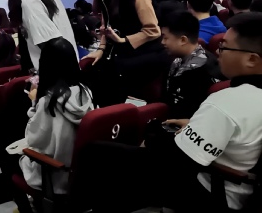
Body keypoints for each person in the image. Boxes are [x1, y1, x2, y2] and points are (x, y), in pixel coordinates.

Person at [74, 13, 262, 213]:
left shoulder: (227, 101)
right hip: (238, 185)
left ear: (252, 59)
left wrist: (154, 139)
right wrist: (191, 125)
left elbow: (177, 162)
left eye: (224, 47)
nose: (217, 51)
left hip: (212, 190)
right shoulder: (247, 97)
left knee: (97, 153)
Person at [11, 38, 94, 211]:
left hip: (56, 176)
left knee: (8, 161)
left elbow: (33, 140)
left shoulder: (50, 102)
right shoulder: (86, 93)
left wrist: (34, 103)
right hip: (84, 176)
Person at [85, 0, 169, 107]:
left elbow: (153, 31)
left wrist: (123, 40)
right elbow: (106, 26)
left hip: (148, 51)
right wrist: (101, 49)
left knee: (111, 75)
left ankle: (112, 113)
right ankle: (100, 112)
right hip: (123, 49)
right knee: (91, 71)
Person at [159, 11, 222, 119]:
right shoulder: (177, 61)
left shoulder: (203, 72)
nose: (162, 42)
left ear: (183, 40)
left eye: (165, 38)